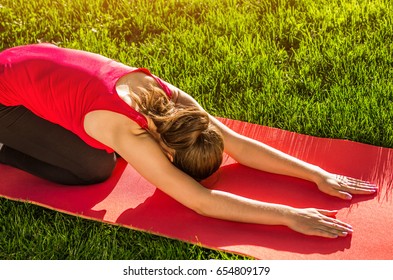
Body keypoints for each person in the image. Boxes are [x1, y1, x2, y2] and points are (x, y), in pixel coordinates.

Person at [0, 43, 377, 239]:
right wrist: (290, 216)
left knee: (102, 153)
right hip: (5, 96)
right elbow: (199, 201)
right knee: (94, 167)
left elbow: (238, 144)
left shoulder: (179, 106)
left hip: (31, 65)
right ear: (165, 151)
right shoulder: (125, 130)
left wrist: (316, 174)